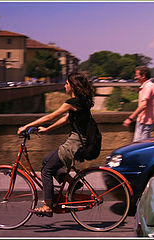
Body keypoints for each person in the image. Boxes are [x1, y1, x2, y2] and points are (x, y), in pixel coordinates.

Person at [17, 72, 94, 217]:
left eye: (66, 83)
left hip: (75, 143)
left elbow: (50, 116)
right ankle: (73, 183)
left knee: (46, 170)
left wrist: (26, 126)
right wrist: (47, 129)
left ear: (73, 86)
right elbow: (65, 120)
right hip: (77, 140)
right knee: (47, 160)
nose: (64, 86)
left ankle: (47, 206)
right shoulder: (80, 101)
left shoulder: (72, 103)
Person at [123, 66, 154, 142]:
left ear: (143, 76)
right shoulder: (151, 85)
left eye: (137, 75)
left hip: (145, 121)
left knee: (138, 145)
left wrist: (130, 118)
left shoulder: (147, 87)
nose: (135, 77)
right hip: (147, 120)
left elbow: (143, 105)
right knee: (141, 145)